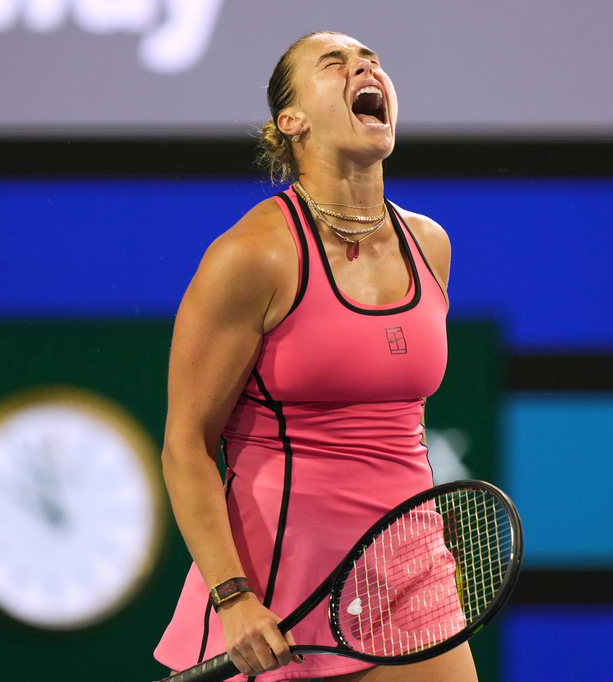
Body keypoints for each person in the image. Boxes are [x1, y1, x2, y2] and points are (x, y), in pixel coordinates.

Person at [154, 31, 476, 682]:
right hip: (280, 590)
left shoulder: (429, 246)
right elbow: (186, 444)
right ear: (290, 121)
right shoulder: (251, 258)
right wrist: (232, 596)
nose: (365, 68)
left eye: (374, 63)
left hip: (412, 576)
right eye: (336, 65)